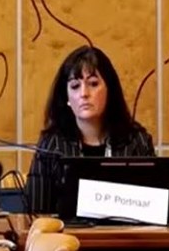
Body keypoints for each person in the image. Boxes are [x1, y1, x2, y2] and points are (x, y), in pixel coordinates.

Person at [25, 46, 156, 216]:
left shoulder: (137, 141)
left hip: (126, 239)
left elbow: (154, 208)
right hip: (67, 240)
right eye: (75, 86)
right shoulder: (51, 145)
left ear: (110, 90)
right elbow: (36, 215)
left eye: (93, 84)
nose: (84, 94)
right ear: (66, 98)